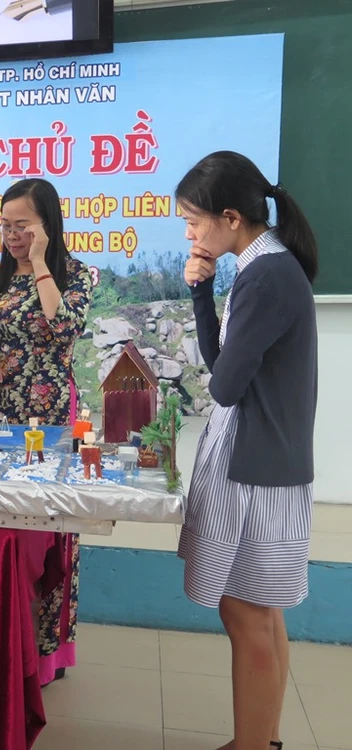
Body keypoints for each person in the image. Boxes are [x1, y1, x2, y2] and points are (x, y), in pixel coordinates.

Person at [176, 151, 317, 750]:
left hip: (254, 465)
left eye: (194, 222)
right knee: (261, 610)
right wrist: (201, 291)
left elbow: (225, 386)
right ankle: (263, 739)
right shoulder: (265, 266)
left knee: (245, 611)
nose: (190, 235)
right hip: (266, 458)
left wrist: (208, 294)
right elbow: (224, 367)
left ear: (230, 218)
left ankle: (253, 745)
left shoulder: (265, 276)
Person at [0, 178, 93, 686]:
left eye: (22, 225)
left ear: (47, 225)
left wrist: (41, 262)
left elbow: (63, 328)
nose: (12, 235)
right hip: (3, 414)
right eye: (5, 225)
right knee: (4, 525)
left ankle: (46, 653)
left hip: (51, 415)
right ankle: (4, 642)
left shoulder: (75, 274)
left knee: (49, 529)